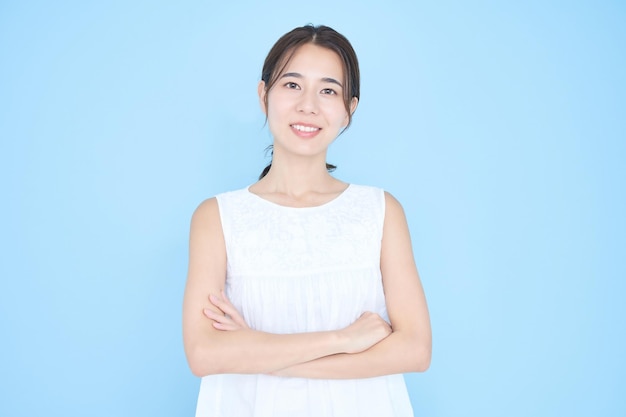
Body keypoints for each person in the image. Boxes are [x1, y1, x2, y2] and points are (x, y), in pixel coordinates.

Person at [182, 24, 431, 417]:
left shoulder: (381, 211)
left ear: (350, 108)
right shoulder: (217, 218)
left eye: (328, 90)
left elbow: (415, 350)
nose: (308, 105)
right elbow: (204, 353)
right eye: (292, 85)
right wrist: (344, 339)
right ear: (264, 95)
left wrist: (257, 351)